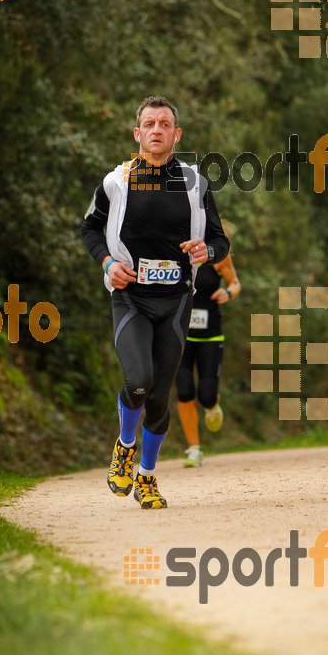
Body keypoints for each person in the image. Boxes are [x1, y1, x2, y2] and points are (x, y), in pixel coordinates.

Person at [81, 96, 229, 509]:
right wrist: (108, 261)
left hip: (178, 300)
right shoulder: (117, 181)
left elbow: (220, 240)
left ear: (176, 134)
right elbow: (89, 228)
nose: (157, 130)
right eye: (150, 124)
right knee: (139, 381)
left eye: (165, 123)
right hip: (131, 299)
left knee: (161, 399)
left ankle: (146, 477)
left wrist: (208, 252)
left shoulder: (196, 183)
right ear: (138, 133)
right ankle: (125, 445)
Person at [175, 242, 241, 467]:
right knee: (184, 390)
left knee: (206, 395)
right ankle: (194, 449)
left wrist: (229, 291)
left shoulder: (218, 256)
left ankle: (213, 403)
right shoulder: (176, 252)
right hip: (180, 336)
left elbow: (235, 282)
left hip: (210, 336)